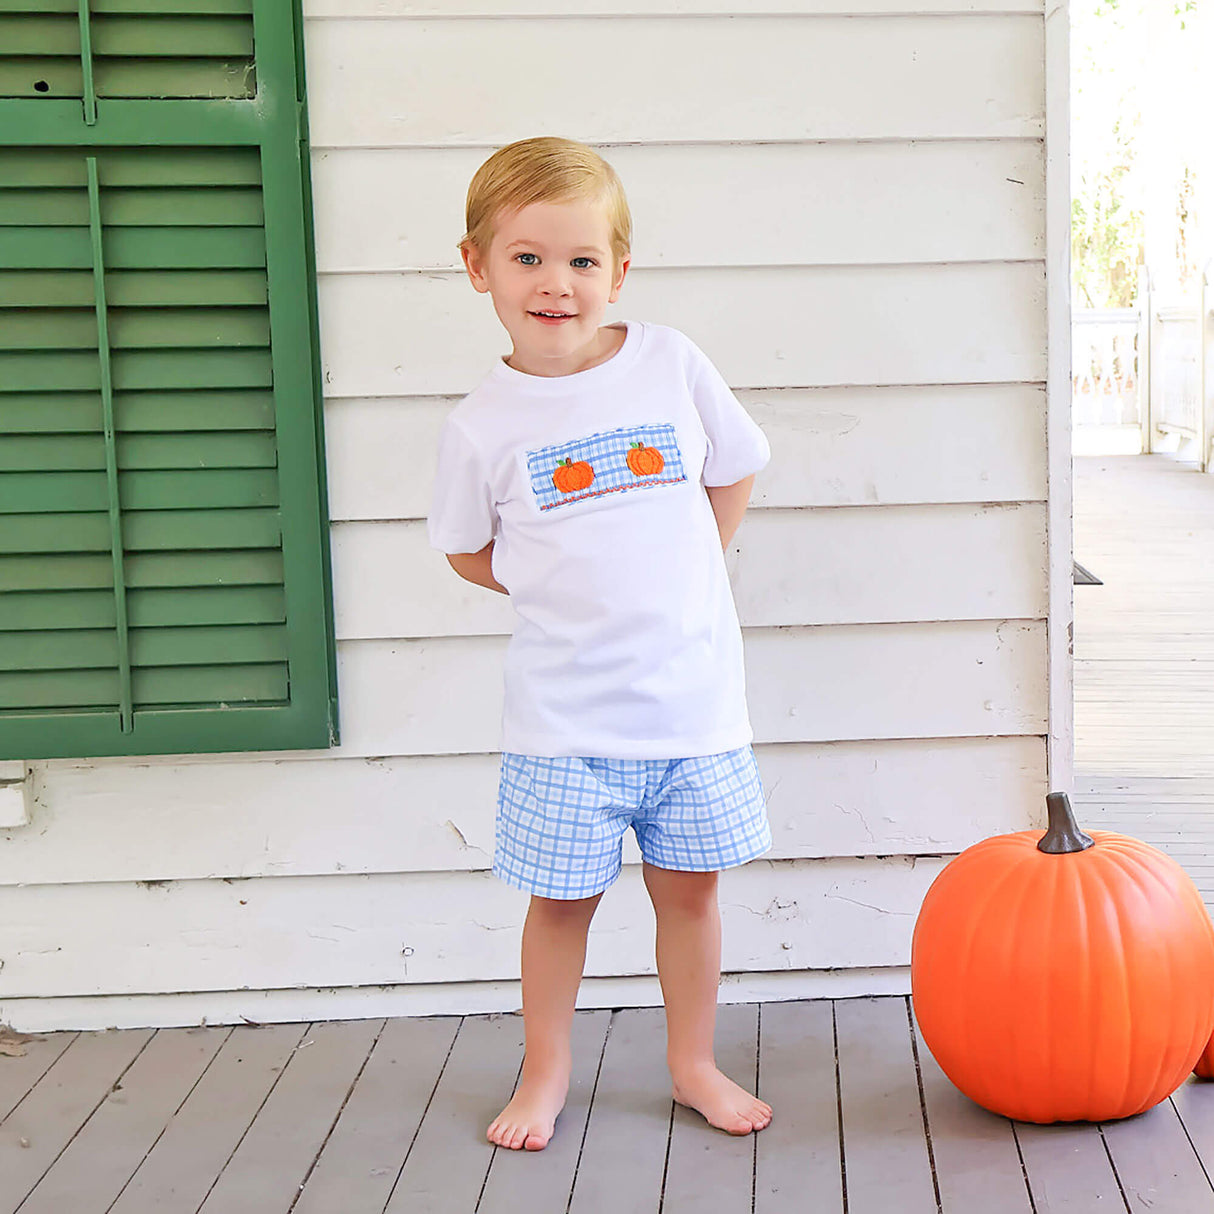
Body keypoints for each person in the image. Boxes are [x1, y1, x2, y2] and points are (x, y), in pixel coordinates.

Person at [426, 136, 774, 1152]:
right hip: (563, 722)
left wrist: (689, 561)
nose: (555, 283)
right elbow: (465, 551)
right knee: (561, 903)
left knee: (689, 895)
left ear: (617, 270)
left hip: (690, 709)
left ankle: (692, 1062)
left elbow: (736, 465)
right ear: (477, 265)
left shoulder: (669, 362)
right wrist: (558, 584)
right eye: (526, 257)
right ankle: (543, 1073)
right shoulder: (481, 425)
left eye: (581, 260)